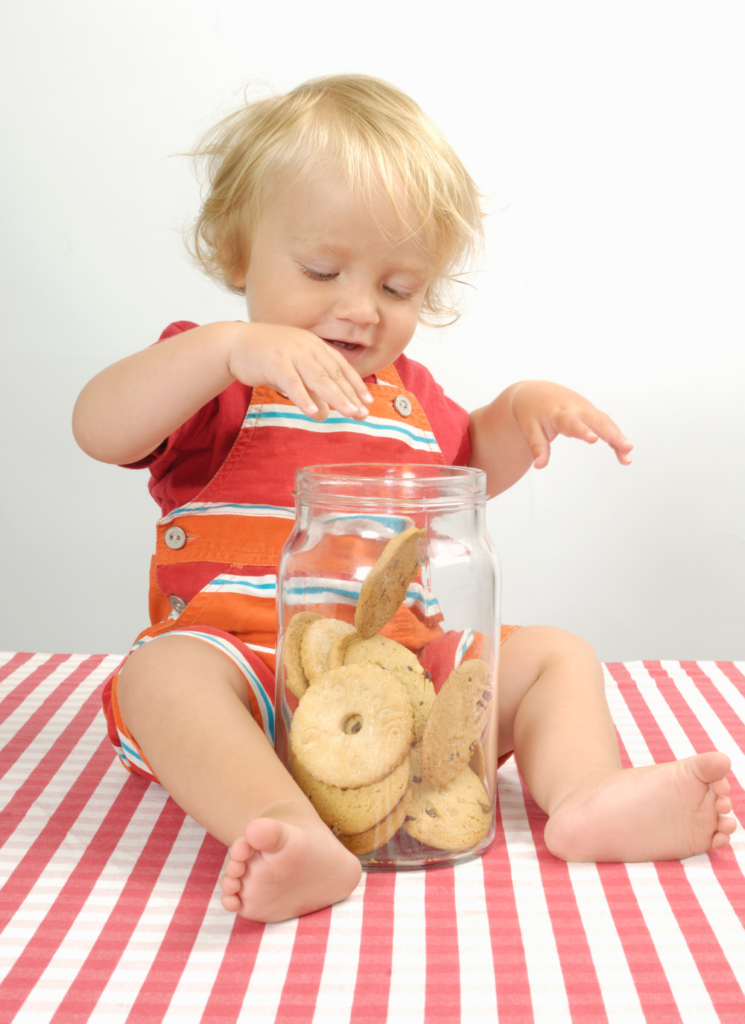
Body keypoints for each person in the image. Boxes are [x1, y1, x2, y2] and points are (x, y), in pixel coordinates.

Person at [73, 74, 735, 924]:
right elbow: (101, 428)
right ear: (239, 252)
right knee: (160, 674)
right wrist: (227, 349)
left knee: (556, 653)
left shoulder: (409, 395)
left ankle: (584, 794)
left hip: (407, 685)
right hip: (244, 681)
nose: (357, 309)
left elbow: (466, 472)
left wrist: (520, 410)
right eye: (320, 270)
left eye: (397, 288)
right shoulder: (216, 379)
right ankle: (280, 824)